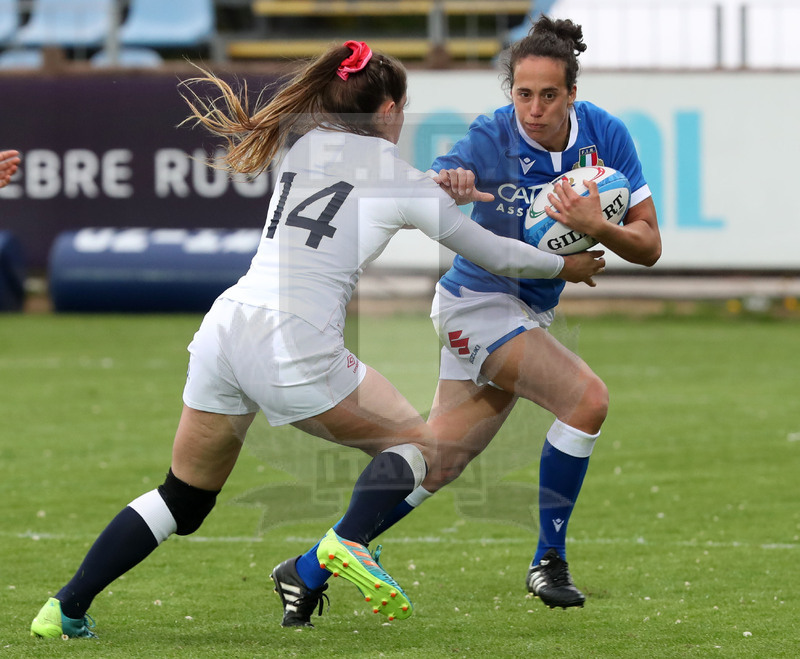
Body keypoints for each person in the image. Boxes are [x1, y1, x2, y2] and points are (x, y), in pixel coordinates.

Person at [30, 40, 603, 639]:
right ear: (387, 110)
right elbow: (494, 251)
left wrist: (432, 193)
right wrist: (564, 267)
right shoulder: (402, 180)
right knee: (423, 451)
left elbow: (364, 192)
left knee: (184, 497)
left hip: (227, 327)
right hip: (295, 341)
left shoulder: (305, 146)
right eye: (401, 108)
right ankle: (346, 544)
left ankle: (65, 608)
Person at [285, 16, 662, 620]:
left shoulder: (606, 137)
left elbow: (649, 246)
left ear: (572, 95)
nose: (533, 109)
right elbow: (441, 179)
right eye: (522, 94)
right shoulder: (491, 135)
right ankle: (549, 562)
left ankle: (308, 568)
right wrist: (452, 180)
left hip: (525, 312)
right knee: (586, 400)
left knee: (439, 462)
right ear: (509, 91)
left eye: (548, 95)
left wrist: (600, 228)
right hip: (475, 304)